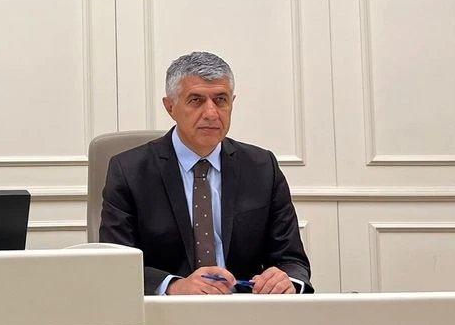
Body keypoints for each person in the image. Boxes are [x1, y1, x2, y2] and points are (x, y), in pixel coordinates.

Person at [99, 51, 312, 295]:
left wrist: (286, 281)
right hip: (168, 310)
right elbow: (116, 265)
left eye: (221, 100)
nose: (211, 113)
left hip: (246, 307)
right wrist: (175, 286)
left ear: (232, 103)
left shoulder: (262, 167)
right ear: (170, 107)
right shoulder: (129, 171)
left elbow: (292, 260)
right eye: (196, 100)